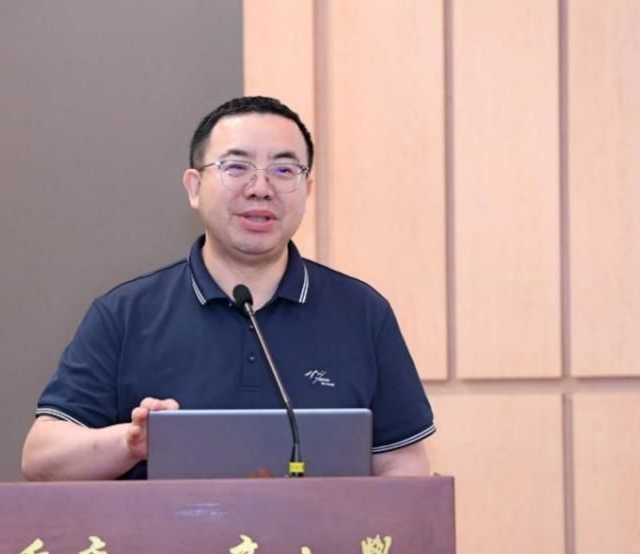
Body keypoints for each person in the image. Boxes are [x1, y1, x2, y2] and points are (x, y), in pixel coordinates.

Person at [22, 96, 434, 481]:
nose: (260, 187)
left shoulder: (362, 313)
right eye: (237, 167)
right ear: (194, 187)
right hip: (168, 538)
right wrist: (131, 444)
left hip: (321, 539)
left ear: (307, 190)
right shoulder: (126, 314)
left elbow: (402, 461)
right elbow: (41, 459)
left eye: (284, 170)